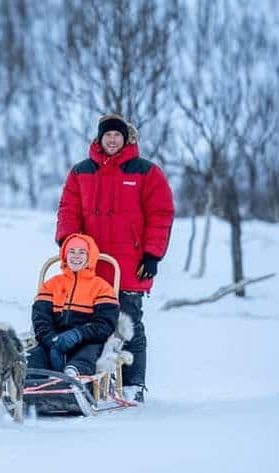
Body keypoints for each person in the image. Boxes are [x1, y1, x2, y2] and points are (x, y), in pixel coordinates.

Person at [55, 113, 174, 402]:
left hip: (131, 265)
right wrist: (67, 243)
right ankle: (88, 380)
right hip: (90, 266)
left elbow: (161, 215)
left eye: (117, 135)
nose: (112, 139)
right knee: (87, 325)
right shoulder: (81, 172)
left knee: (128, 324)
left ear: (126, 138)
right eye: (107, 135)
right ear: (99, 138)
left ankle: (133, 384)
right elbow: (68, 210)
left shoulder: (146, 172)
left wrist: (152, 254)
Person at [28, 233, 119, 378]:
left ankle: (73, 376)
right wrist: (51, 340)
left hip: (86, 342)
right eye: (72, 251)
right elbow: (40, 319)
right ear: (65, 255)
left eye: (82, 252)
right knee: (35, 355)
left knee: (89, 353)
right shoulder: (51, 285)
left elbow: (105, 325)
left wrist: (77, 334)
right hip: (53, 341)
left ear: (90, 256)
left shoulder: (102, 288)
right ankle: (31, 381)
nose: (76, 256)